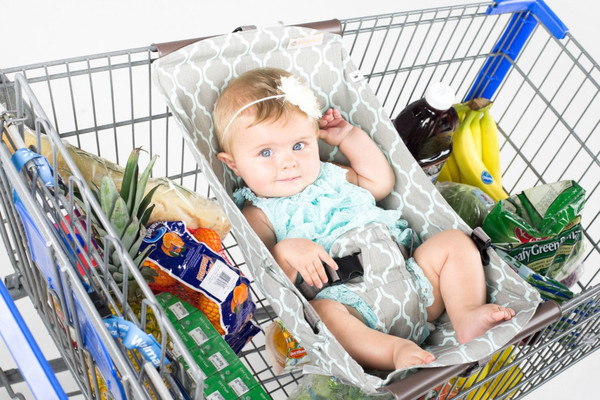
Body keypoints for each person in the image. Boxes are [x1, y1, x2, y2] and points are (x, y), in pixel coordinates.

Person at [213, 67, 515, 371]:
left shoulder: (332, 173)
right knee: (324, 315)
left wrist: (349, 137)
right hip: (353, 304)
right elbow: (269, 271)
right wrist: (288, 251)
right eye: (266, 152)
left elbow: (380, 182)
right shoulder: (258, 212)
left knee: (456, 242)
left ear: (315, 139)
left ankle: (466, 313)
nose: (288, 162)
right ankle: (395, 351)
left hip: (413, 279)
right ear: (234, 164)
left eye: (298, 145)